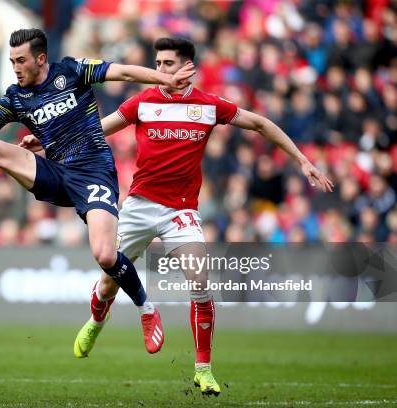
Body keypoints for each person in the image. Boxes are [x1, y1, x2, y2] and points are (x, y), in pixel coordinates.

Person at [21, 37, 334, 397]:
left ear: (188, 67)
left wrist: (304, 162)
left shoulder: (208, 106)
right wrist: (44, 142)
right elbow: (92, 130)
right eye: (157, 63)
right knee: (108, 282)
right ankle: (96, 319)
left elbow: (262, 124)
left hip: (181, 210)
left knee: (200, 281)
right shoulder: (143, 102)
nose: (159, 70)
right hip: (138, 206)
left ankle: (203, 369)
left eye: (167, 64)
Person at [0, 29, 194, 352]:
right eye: (12, 61)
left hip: (94, 174)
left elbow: (122, 71)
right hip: (56, 173)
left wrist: (163, 80)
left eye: (21, 60)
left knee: (105, 254)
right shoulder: (16, 96)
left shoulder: (72, 70)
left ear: (40, 58)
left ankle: (146, 309)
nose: (16, 67)